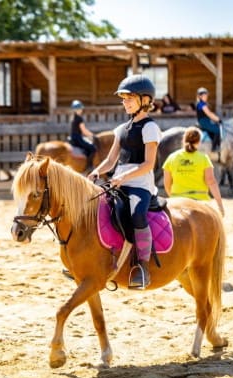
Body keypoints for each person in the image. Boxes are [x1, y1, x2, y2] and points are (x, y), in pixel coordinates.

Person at [88, 75, 161, 290]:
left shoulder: (150, 128)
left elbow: (148, 164)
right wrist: (95, 172)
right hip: (118, 183)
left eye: (130, 98)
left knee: (137, 214)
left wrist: (123, 178)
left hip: (140, 186)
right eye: (124, 99)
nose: (125, 102)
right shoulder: (121, 129)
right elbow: (111, 160)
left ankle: (142, 267)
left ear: (145, 100)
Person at [162, 127, 225, 217]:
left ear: (184, 140)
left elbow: (167, 184)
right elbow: (211, 182)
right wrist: (220, 205)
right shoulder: (204, 158)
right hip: (200, 200)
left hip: (177, 199)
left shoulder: (172, 158)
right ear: (199, 142)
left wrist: (174, 196)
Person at [67, 100, 96, 169]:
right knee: (93, 148)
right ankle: (89, 165)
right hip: (77, 138)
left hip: (72, 138)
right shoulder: (79, 118)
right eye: (80, 109)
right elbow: (84, 131)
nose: (81, 110)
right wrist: (93, 135)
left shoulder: (72, 117)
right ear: (77, 110)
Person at [196, 87, 223, 152]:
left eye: (206, 95)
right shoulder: (201, 104)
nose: (206, 97)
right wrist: (218, 120)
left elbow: (210, 114)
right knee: (218, 130)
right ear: (200, 96)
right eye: (205, 95)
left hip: (206, 120)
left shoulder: (203, 104)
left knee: (214, 129)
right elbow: (209, 114)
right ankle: (214, 148)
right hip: (204, 121)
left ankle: (213, 143)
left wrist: (216, 119)